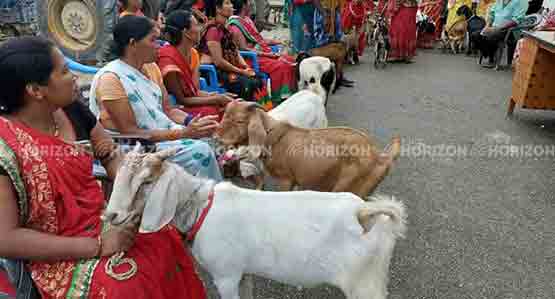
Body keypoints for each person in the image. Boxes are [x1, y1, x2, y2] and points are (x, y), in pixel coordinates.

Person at [0, 36, 207, 299]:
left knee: (163, 238)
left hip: (103, 218)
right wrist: (98, 246)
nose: (74, 77)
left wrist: (133, 180)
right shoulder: (5, 148)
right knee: (123, 286)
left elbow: (109, 154)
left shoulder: (71, 110)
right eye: (64, 71)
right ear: (35, 90)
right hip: (55, 250)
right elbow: (5, 239)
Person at [89, 16, 223, 181]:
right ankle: (203, 202)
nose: (158, 45)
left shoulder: (151, 68)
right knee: (200, 151)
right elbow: (131, 132)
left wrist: (192, 122)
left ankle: (196, 199)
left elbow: (168, 110)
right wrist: (183, 133)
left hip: (160, 137)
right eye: (153, 40)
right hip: (129, 146)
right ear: (133, 44)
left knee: (211, 140)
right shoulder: (111, 78)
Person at [159, 10, 232, 121]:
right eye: (196, 25)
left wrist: (215, 96)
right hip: (176, 109)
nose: (200, 29)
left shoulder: (193, 54)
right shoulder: (167, 59)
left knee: (229, 107)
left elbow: (194, 91)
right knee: (214, 112)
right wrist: (215, 99)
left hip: (190, 103)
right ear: (185, 32)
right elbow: (182, 99)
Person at [200, 0, 273, 110]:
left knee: (257, 77)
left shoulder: (224, 28)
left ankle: (262, 112)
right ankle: (243, 114)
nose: (232, 6)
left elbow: (235, 52)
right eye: (227, 3)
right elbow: (218, 61)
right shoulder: (213, 30)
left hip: (227, 69)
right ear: (218, 9)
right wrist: (241, 71)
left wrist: (246, 67)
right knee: (248, 83)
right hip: (215, 72)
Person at [228, 0, 297, 104]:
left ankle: (291, 94)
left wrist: (277, 42)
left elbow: (259, 39)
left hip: (260, 54)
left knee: (290, 60)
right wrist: (267, 54)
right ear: (244, 5)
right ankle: (278, 98)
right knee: (282, 65)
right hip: (250, 59)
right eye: (250, 2)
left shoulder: (247, 20)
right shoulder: (235, 25)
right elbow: (244, 49)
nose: (252, 4)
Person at [473, 0, 528, 67]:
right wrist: (487, 26)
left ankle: (492, 59)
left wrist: (499, 28)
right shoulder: (499, 1)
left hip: (509, 30)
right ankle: (489, 54)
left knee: (490, 36)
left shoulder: (522, 2)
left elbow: (517, 20)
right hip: (493, 27)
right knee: (475, 35)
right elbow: (491, 14)